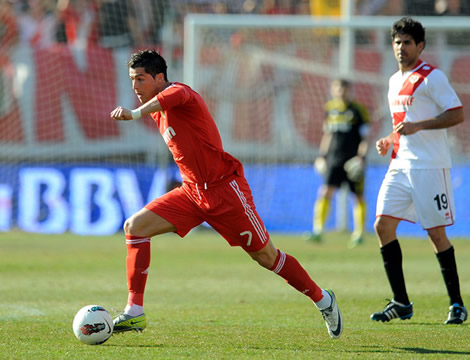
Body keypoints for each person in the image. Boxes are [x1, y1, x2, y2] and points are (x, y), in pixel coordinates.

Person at [109, 49, 343, 338]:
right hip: (192, 193)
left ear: (159, 78)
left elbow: (173, 96)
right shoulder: (155, 109)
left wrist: (134, 114)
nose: (134, 87)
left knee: (266, 257)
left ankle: (323, 299)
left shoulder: (181, 93)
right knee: (135, 227)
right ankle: (134, 311)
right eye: (132, 80)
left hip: (225, 192)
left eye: (140, 79)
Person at [371, 17, 467, 325]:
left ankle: (456, 304)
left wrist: (420, 126)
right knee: (382, 226)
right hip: (400, 164)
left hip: (429, 166)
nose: (401, 48)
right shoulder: (392, 81)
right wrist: (390, 139)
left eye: (408, 42)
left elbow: (457, 113)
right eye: (397, 42)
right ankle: (401, 302)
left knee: (436, 233)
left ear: (420, 46)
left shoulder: (432, 77)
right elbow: (403, 123)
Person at [306, 79, 370, 247]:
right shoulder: (330, 109)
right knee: (325, 192)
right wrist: (322, 156)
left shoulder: (358, 111)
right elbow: (327, 135)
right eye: (338, 88)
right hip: (334, 159)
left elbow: (365, 138)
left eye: (344, 89)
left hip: (352, 160)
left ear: (349, 90)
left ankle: (359, 234)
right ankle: (318, 230)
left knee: (357, 196)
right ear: (333, 90)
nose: (341, 92)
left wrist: (360, 158)